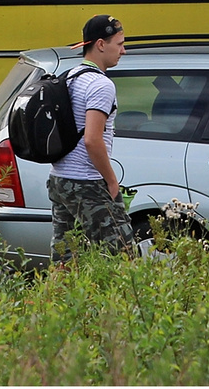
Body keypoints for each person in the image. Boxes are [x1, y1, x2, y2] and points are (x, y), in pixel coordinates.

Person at [48, 14, 135, 260]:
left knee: (66, 256)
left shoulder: (71, 76)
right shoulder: (101, 85)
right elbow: (92, 139)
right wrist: (111, 181)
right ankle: (127, 299)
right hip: (87, 182)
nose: (123, 51)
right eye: (119, 44)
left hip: (60, 179)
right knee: (124, 256)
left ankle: (55, 297)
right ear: (100, 44)